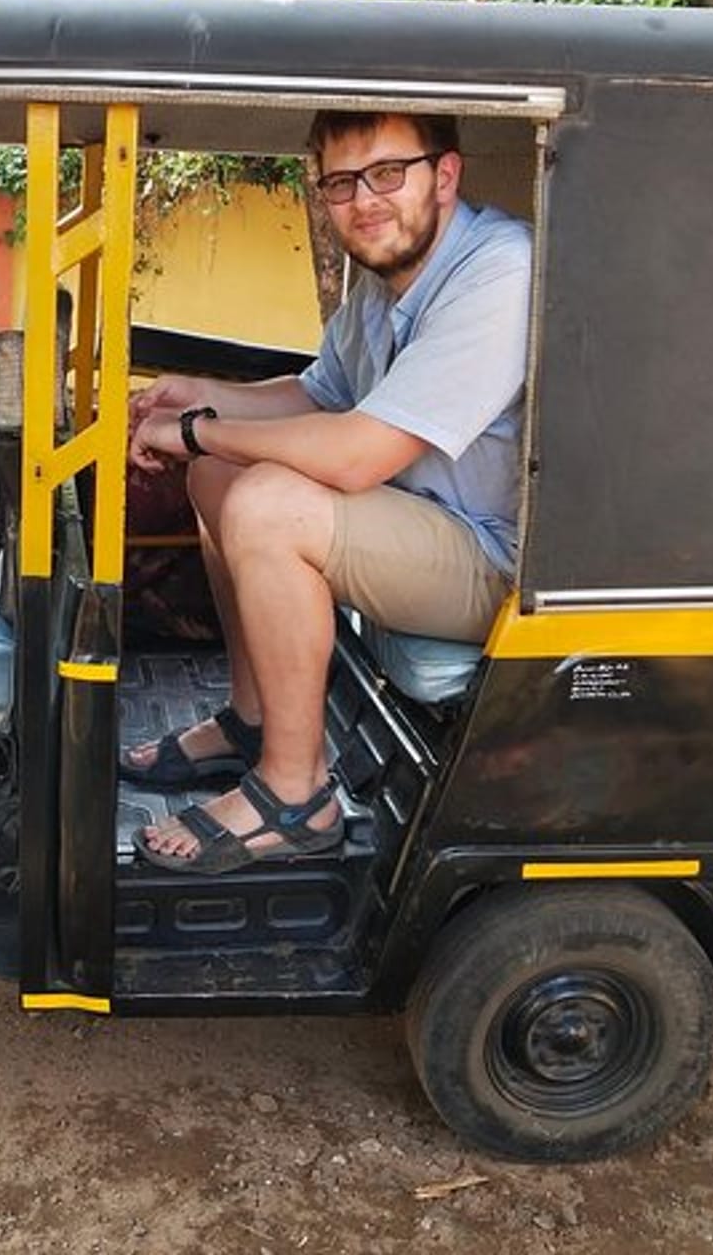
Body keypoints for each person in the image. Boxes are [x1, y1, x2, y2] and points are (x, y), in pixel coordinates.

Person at [120, 109, 531, 874]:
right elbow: (316, 395)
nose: (364, 201)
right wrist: (193, 395)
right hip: (424, 524)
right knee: (220, 477)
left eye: (386, 173)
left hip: (498, 564)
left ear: (445, 174)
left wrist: (198, 429)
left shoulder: (498, 271)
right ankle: (253, 722)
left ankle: (296, 794)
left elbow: (356, 454)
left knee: (267, 502)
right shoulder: (386, 282)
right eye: (341, 183)